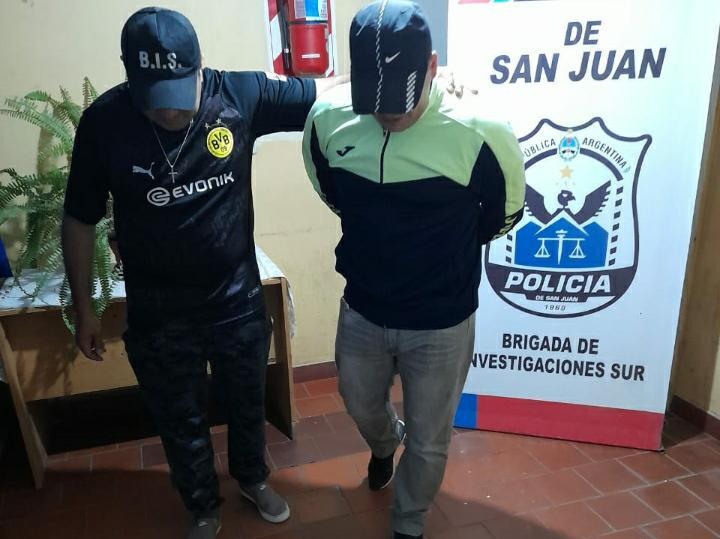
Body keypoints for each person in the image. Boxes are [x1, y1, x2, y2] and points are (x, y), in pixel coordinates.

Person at [62, 7, 343, 539]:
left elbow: (327, 93)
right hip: (159, 309)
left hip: (236, 299)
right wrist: (85, 310)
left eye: (178, 93)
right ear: (130, 76)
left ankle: (252, 479)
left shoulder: (238, 94)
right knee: (180, 417)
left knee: (247, 402)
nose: (169, 111)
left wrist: (427, 82)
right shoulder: (105, 123)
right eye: (154, 98)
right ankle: (201, 505)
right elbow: (78, 219)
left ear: (200, 67)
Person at [301, 1, 526, 538]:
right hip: (364, 307)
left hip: (442, 317)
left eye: (401, 99)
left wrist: (441, 251)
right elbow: (329, 187)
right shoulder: (328, 120)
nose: (389, 115)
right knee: (358, 402)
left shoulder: (480, 131)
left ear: (431, 67)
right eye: (375, 101)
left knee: (429, 438)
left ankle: (408, 522)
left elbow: (505, 213)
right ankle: (383, 444)